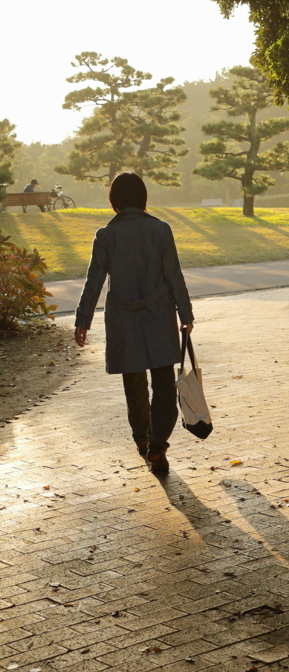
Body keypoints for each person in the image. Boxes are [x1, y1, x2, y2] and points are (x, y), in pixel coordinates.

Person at [73, 172, 194, 475]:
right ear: (143, 199)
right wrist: (186, 314)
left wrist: (82, 320)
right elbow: (173, 276)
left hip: (122, 319)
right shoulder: (160, 230)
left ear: (114, 201)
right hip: (158, 317)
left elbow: (94, 282)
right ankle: (157, 445)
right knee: (164, 384)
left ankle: (142, 439)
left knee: (135, 385)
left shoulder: (106, 235)